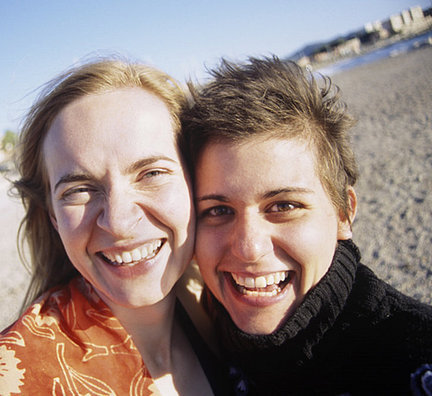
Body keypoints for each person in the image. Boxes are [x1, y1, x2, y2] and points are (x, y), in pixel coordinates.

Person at [0, 58, 222, 395]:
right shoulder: (11, 378)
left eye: (151, 173)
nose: (119, 222)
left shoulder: (222, 301)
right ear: (53, 217)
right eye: (79, 190)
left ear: (195, 181)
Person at [182, 56, 432, 395]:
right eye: (218, 210)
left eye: (284, 206)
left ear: (344, 213)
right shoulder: (196, 338)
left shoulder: (414, 358)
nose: (249, 247)